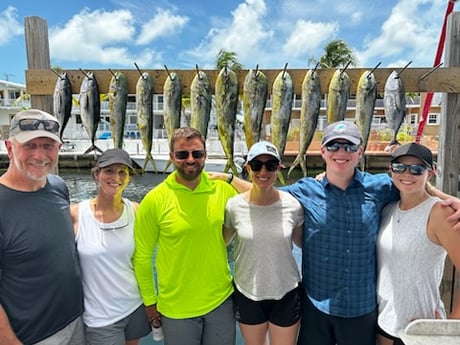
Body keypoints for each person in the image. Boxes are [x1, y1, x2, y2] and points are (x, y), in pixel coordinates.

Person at [210, 120, 460, 345]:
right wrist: (229, 178)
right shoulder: (305, 190)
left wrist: (452, 200)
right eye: (334, 146)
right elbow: (265, 192)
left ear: (360, 152)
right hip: (315, 306)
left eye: (349, 147)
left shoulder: (381, 186)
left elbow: (415, 187)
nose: (341, 153)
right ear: (323, 152)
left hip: (361, 308)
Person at [133, 127, 238, 345]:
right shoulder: (154, 200)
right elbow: (142, 257)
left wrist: (229, 177)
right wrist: (150, 303)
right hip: (176, 308)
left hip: (221, 301)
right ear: (171, 157)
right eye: (182, 154)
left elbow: (261, 199)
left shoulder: (224, 191)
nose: (190, 159)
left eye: (197, 153)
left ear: (205, 155)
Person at [0, 109, 85, 345]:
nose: (40, 155)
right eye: (30, 145)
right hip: (32, 337)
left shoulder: (58, 186)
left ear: (58, 149)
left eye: (48, 145)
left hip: (77, 321)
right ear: (9, 147)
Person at [376, 143, 460, 345]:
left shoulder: (440, 213)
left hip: (422, 328)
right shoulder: (388, 209)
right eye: (400, 167)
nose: (407, 174)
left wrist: (451, 325)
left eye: (417, 169)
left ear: (430, 173)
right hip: (384, 323)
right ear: (391, 171)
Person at [223, 141, 304, 345]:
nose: (263, 171)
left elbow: (303, 243)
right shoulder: (233, 206)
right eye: (257, 165)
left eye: (270, 165)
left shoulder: (293, 206)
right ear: (247, 167)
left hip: (286, 290)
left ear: (279, 167)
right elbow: (221, 243)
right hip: (247, 290)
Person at [70, 148, 150, 345]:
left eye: (123, 172)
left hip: (134, 306)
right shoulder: (75, 214)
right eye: (109, 171)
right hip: (100, 318)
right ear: (96, 174)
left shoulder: (136, 211)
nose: (116, 177)